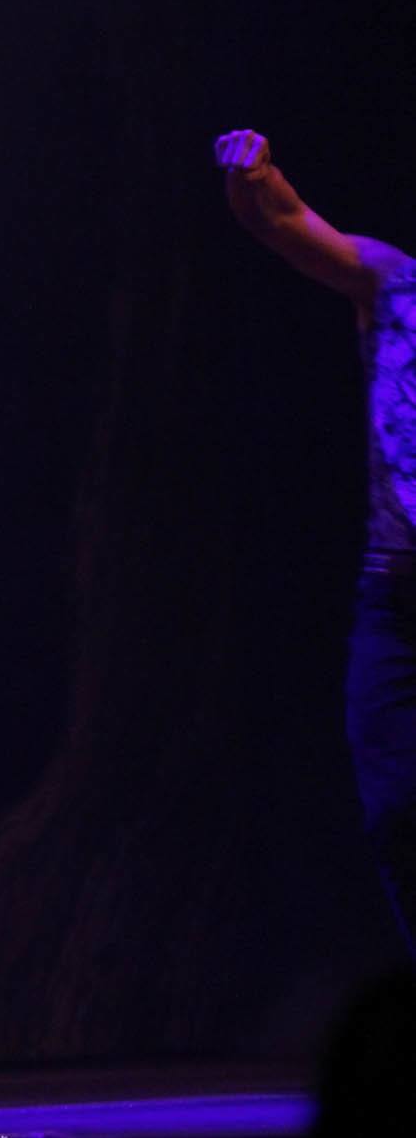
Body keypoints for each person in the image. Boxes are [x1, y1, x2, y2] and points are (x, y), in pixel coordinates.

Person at [217, 127, 416, 961]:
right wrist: (251, 177)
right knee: (395, 810)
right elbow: (287, 223)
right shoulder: (395, 283)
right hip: (394, 594)